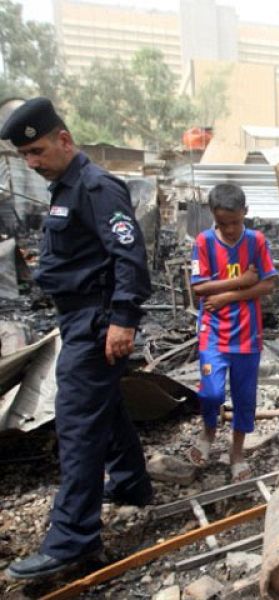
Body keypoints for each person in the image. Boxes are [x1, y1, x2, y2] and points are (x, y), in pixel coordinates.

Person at [1, 98, 153, 580]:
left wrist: (123, 319)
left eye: (38, 151)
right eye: (25, 155)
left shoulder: (96, 186)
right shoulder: (64, 186)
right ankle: (130, 484)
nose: (32, 162)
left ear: (64, 139)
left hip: (95, 323)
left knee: (77, 428)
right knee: (102, 409)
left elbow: (130, 254)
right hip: (79, 321)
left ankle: (71, 539)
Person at [188, 183, 277, 482]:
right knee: (211, 391)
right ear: (212, 216)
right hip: (212, 333)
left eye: (236, 222)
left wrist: (227, 295)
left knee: (244, 398)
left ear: (245, 213)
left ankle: (236, 452)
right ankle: (208, 432)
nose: (229, 230)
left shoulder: (257, 241)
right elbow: (198, 288)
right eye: (222, 224)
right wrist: (243, 279)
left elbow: (268, 284)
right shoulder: (203, 242)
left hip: (247, 335)